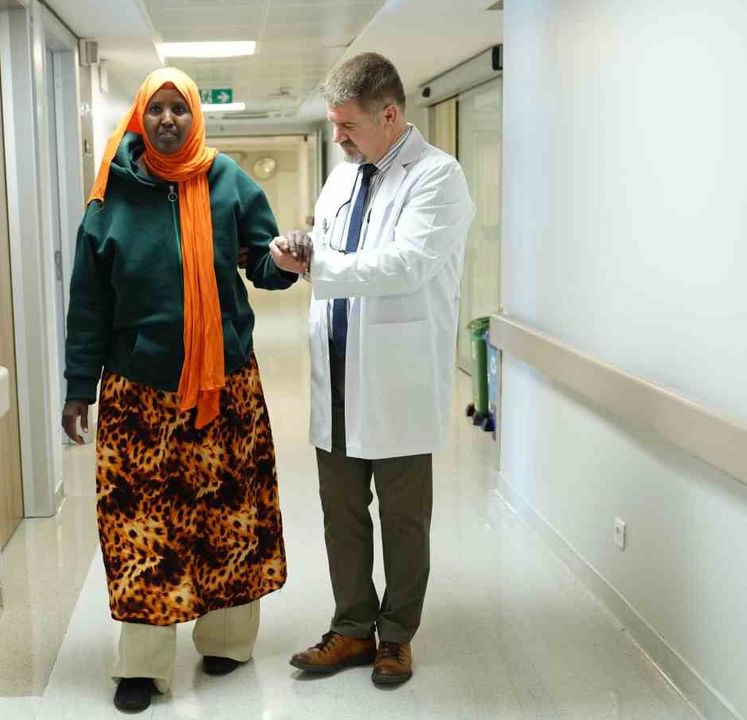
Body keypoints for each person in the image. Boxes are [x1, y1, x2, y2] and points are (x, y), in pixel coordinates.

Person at [61, 67, 298, 712]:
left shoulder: (229, 182)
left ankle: (226, 641)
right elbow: (89, 303)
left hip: (225, 383)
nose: (168, 119)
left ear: (196, 116)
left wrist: (283, 260)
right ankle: (142, 665)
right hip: (138, 392)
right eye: (157, 109)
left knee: (230, 513)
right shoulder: (110, 196)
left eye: (179, 109)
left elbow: (263, 264)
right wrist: (79, 385)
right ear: (141, 117)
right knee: (140, 525)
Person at [269, 52, 476, 687]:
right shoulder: (341, 178)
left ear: (389, 116)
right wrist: (300, 247)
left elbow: (406, 264)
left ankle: (397, 636)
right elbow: (331, 248)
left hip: (397, 380)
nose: (338, 136)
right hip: (336, 371)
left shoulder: (438, 177)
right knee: (342, 514)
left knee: (403, 519)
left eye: (347, 125)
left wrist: (318, 267)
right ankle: (353, 628)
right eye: (334, 124)